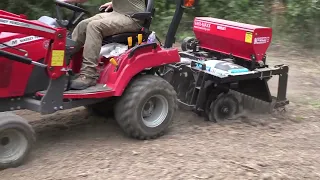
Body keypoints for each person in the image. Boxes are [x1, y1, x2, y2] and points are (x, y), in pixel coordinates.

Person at [64, 0, 146, 90]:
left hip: (133, 18)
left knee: (94, 26)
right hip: (117, 13)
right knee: (83, 25)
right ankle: (62, 65)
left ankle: (89, 75)